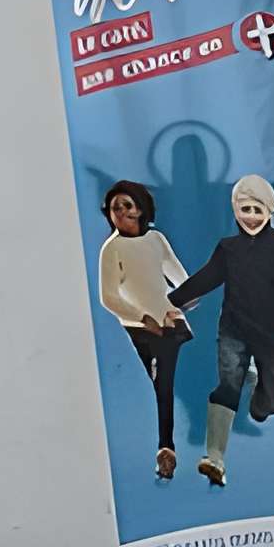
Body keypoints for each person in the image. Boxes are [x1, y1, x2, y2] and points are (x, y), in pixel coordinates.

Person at [167, 174, 274, 489]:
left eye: (257, 210)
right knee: (227, 384)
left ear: (269, 212)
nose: (250, 217)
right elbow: (206, 278)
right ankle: (215, 459)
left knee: (269, 404)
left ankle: (261, 395)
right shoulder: (228, 249)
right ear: (235, 211)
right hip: (234, 330)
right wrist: (172, 302)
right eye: (244, 209)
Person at [95, 180, 190, 478]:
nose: (121, 212)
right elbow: (108, 296)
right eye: (115, 208)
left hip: (168, 323)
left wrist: (182, 303)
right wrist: (141, 316)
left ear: (140, 208)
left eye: (127, 205)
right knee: (159, 382)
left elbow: (179, 276)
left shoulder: (156, 240)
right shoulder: (112, 249)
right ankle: (166, 445)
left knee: (166, 381)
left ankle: (167, 447)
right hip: (139, 327)